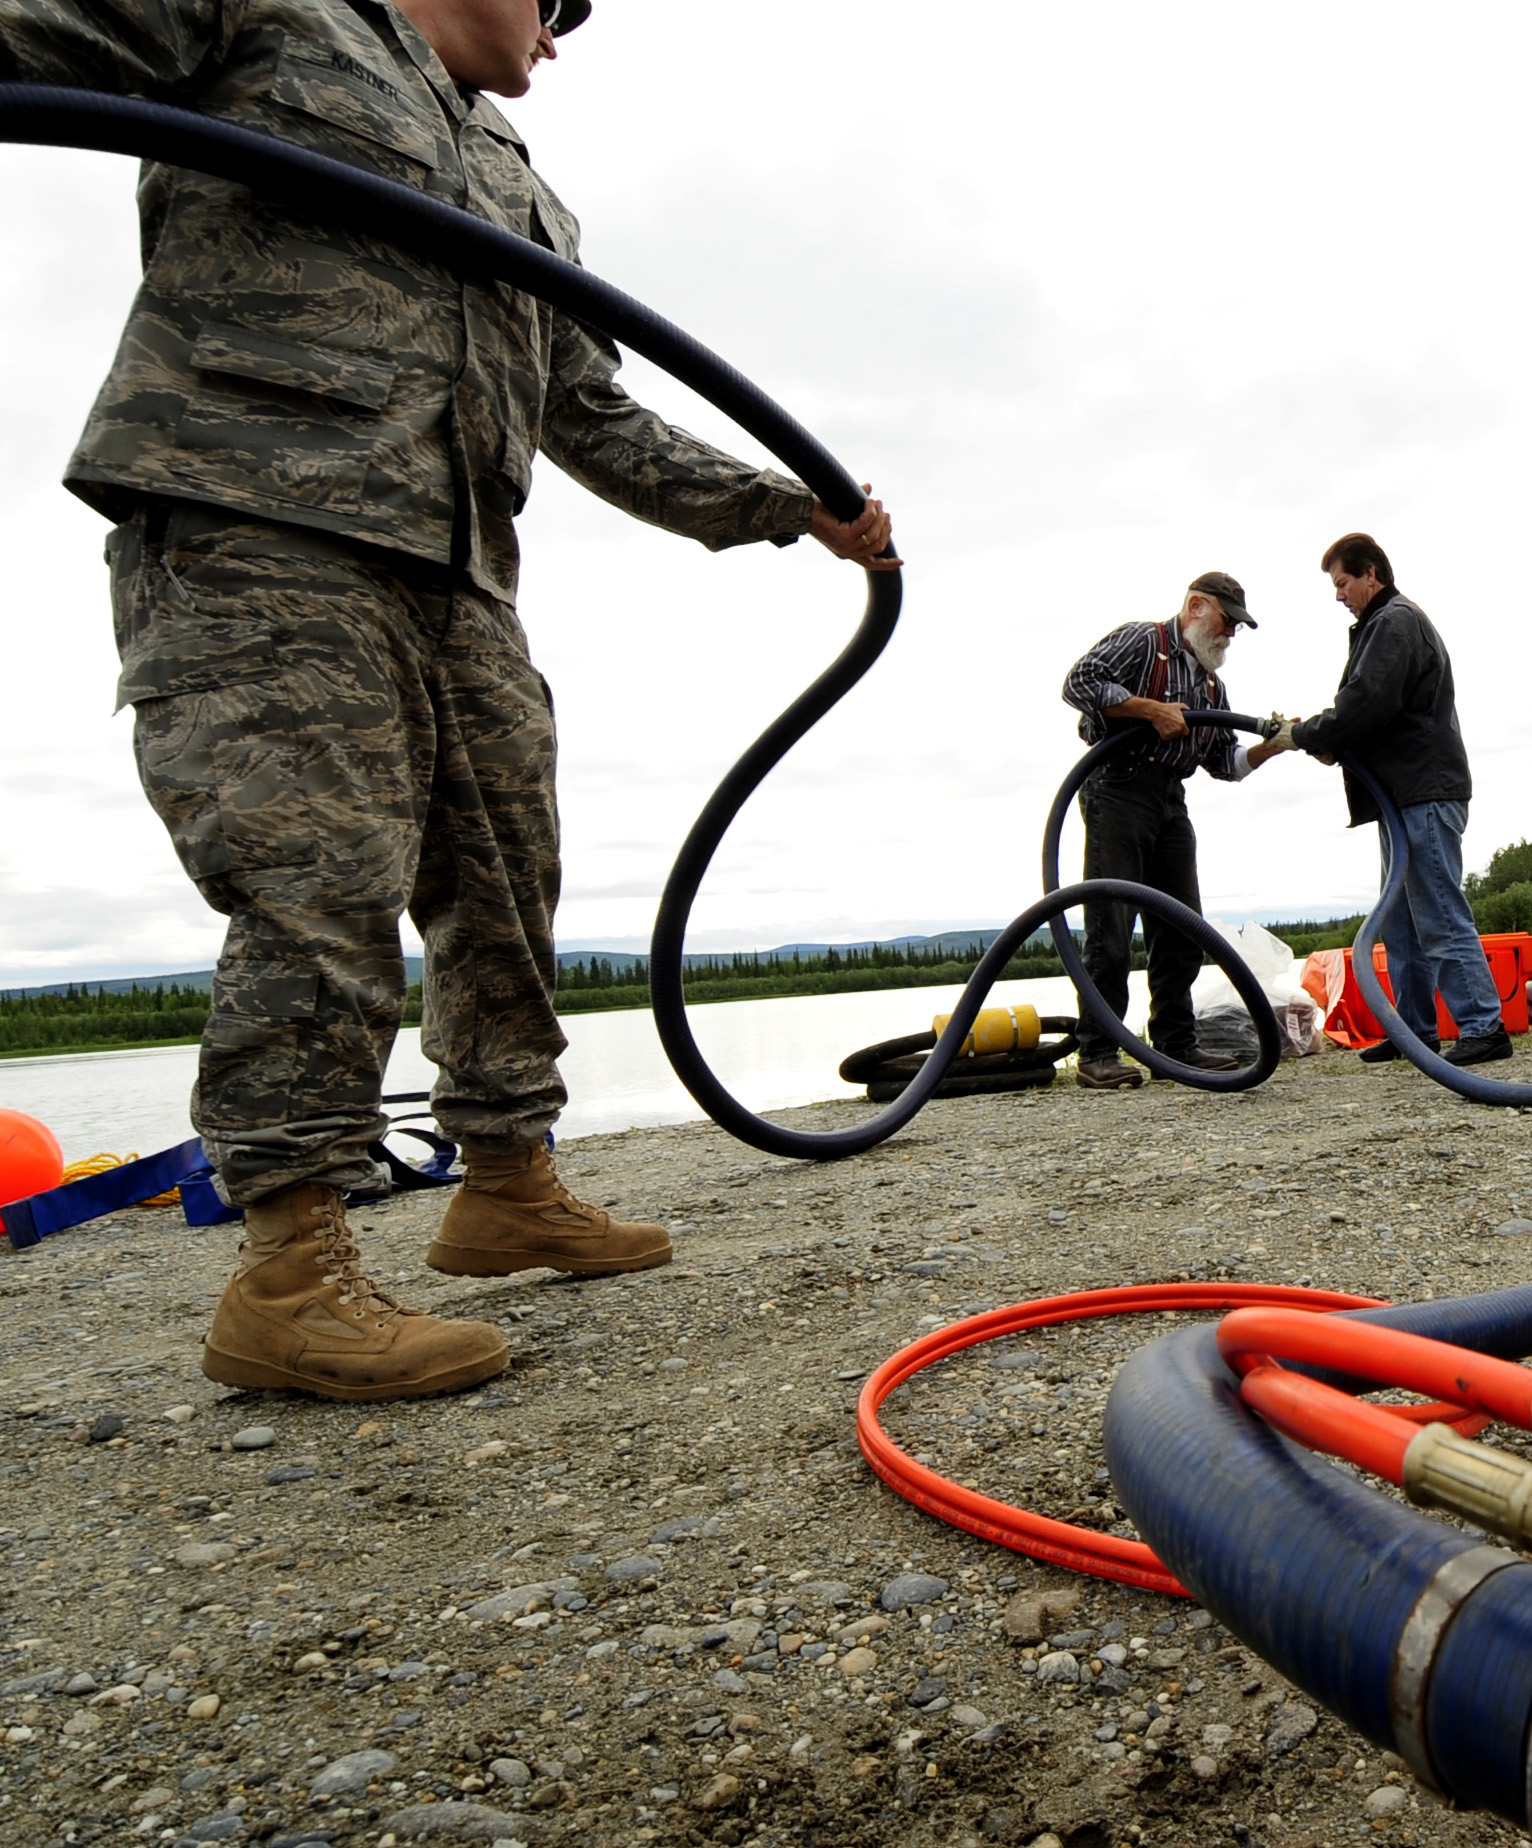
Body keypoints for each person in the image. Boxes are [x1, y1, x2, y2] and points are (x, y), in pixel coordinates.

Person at [0, 0, 897, 1402]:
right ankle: (290, 1274)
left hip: (462, 570)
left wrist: (793, 508)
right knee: (321, 878)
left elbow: (591, 415)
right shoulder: (268, 10)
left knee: (505, 880)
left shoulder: (525, 191)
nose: (561, 34)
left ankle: (507, 1181)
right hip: (261, 521)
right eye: (553, 0)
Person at [1286, 534, 1511, 1067]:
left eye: (1343, 582)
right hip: (1399, 795)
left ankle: (1484, 1026)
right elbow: (1371, 715)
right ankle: (1415, 1033)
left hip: (1423, 792)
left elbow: (1366, 703)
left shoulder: (1395, 622)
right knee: (1402, 924)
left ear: (1372, 574)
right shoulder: (1383, 625)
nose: (1338, 595)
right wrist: (1330, 741)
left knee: (1437, 912)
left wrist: (1306, 734)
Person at [1059, 572, 1288, 1089]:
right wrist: (1150, 710)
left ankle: (1175, 1044)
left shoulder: (1211, 684)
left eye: (1236, 626)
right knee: (1112, 924)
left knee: (1183, 925)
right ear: (1196, 606)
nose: (1230, 633)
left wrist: (1269, 748)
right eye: (1227, 620)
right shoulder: (1143, 641)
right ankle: (1098, 1052)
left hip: (1169, 795)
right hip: (1118, 785)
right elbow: (1079, 683)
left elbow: (1225, 762)